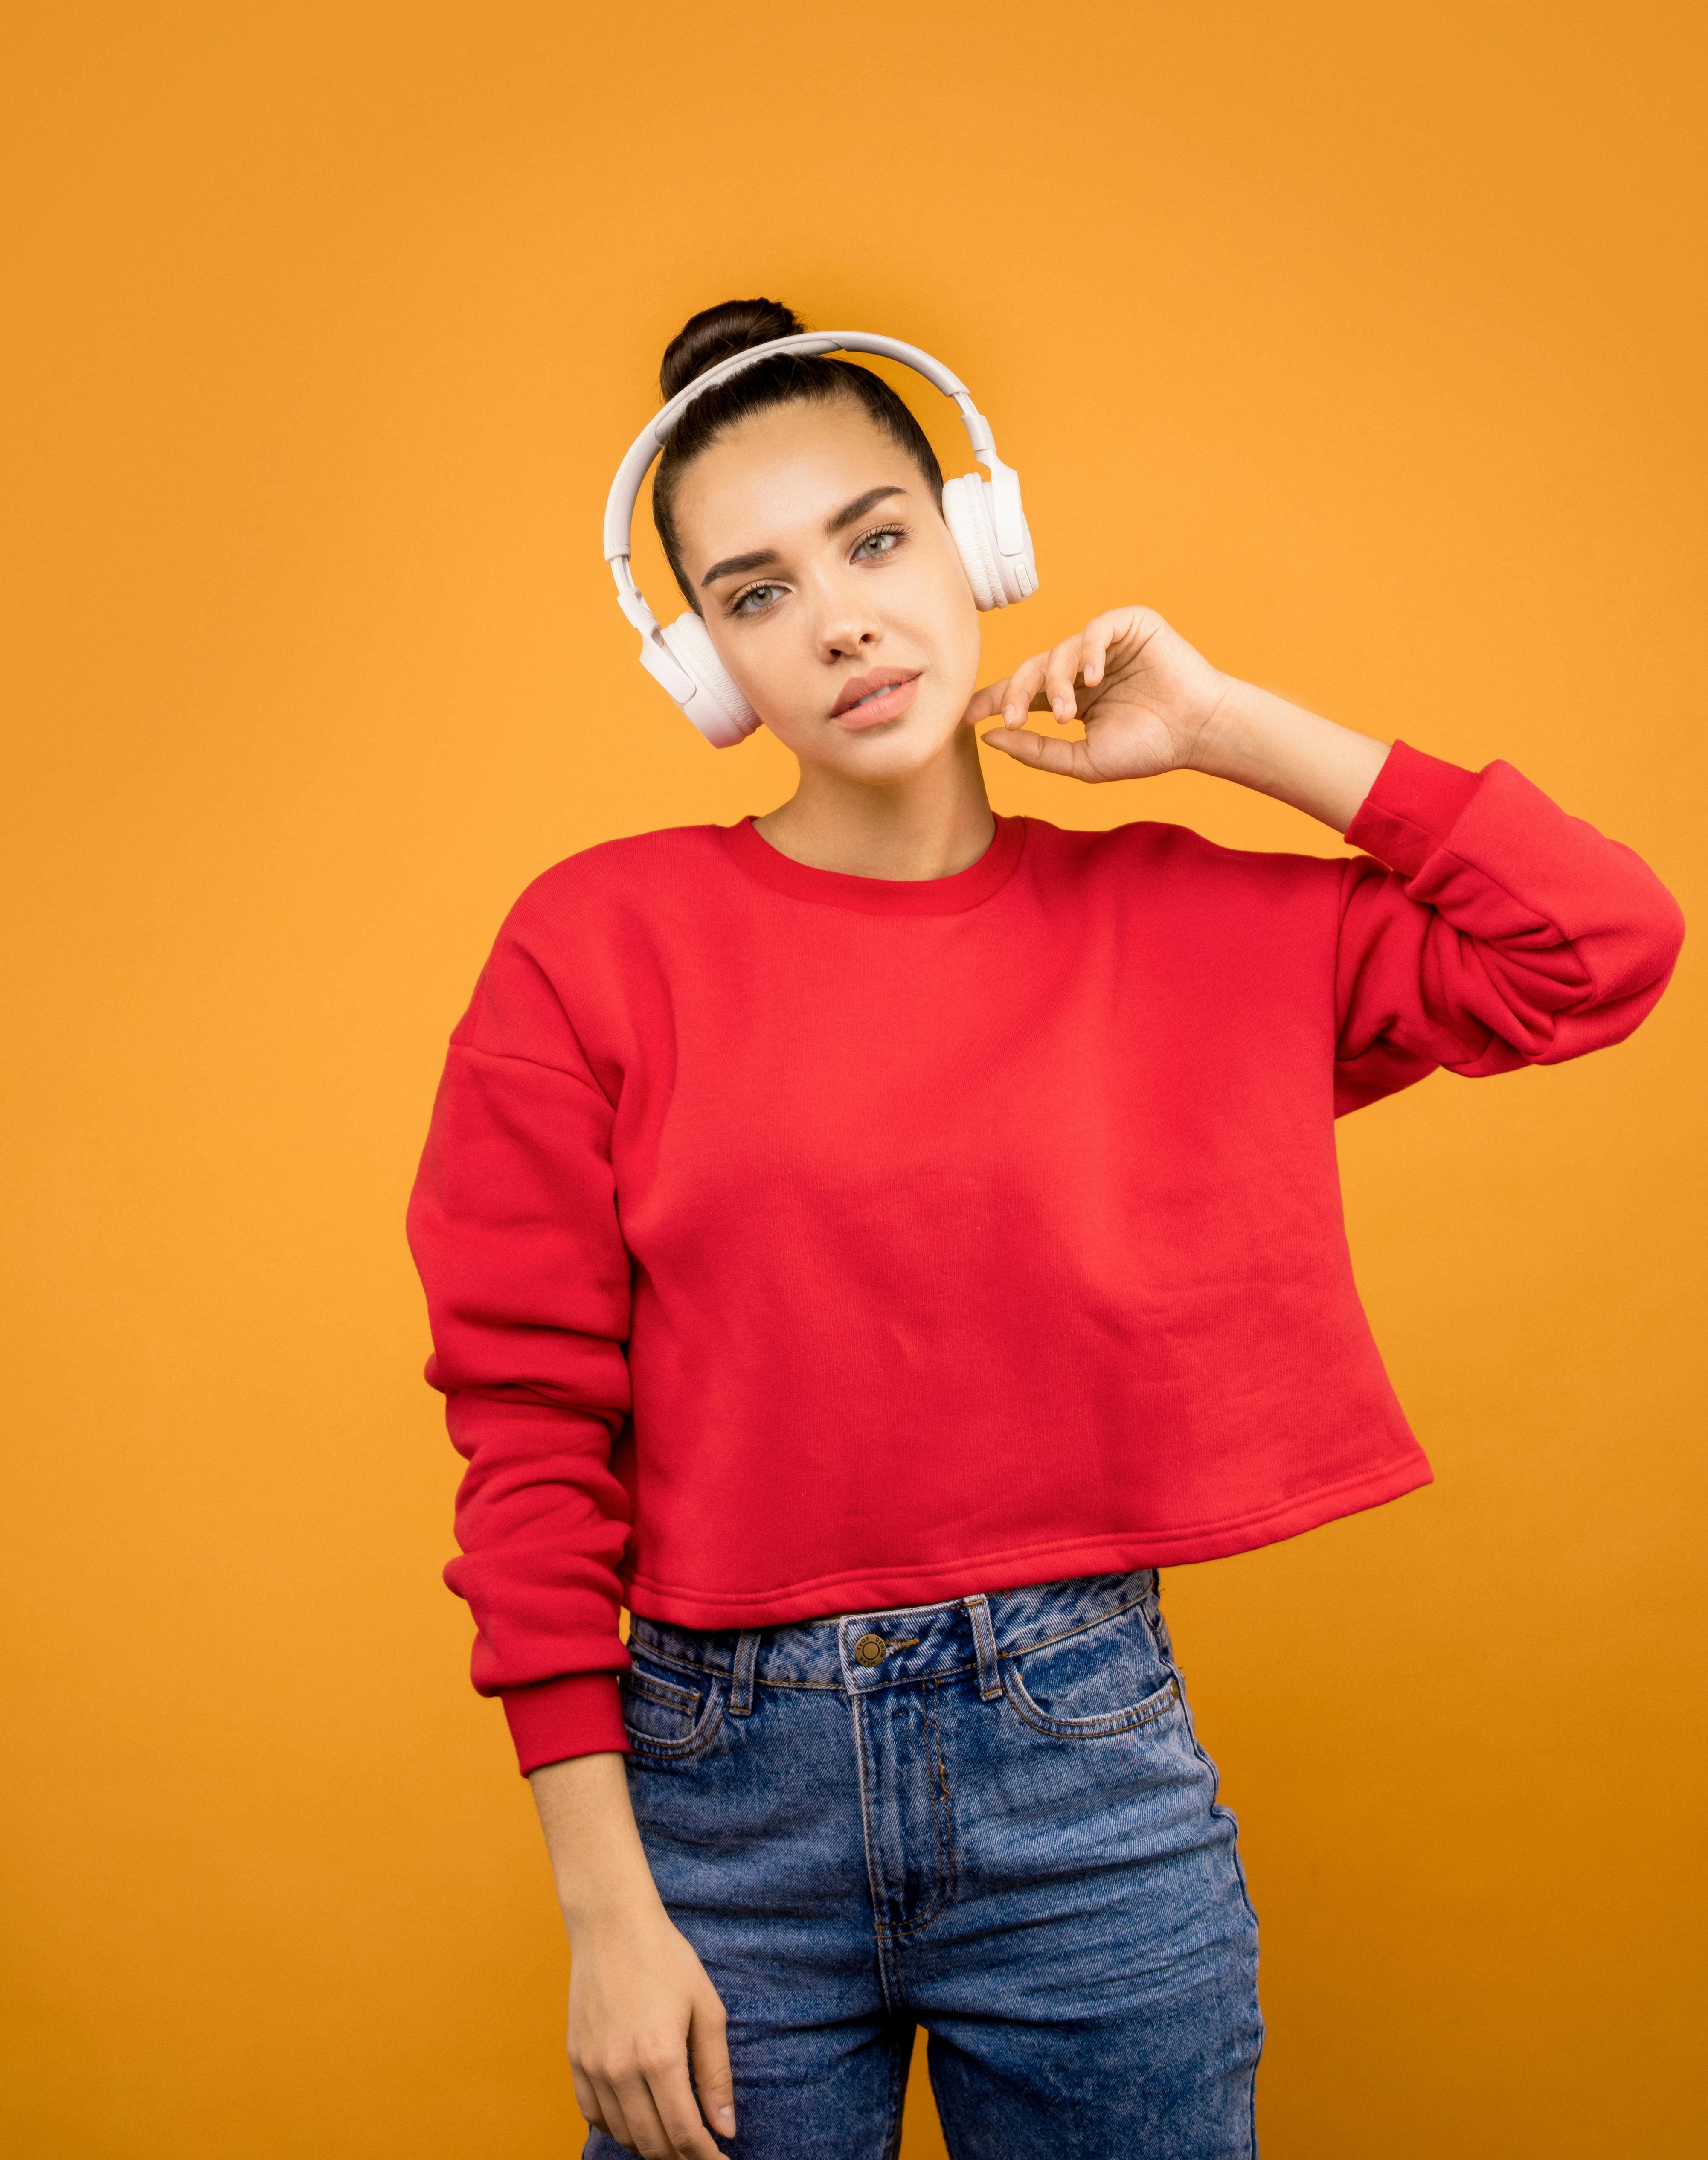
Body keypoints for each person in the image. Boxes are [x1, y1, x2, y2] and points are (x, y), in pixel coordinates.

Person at [407, 297, 1683, 2160]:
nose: (839, 615)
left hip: (1081, 1776)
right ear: (705, 665)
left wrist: (1226, 729)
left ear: (972, 543)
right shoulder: (591, 949)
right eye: (755, 594)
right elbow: (526, 1437)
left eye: (872, 538)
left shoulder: (1181, 927)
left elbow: (1593, 951)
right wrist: (606, 1907)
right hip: (714, 1807)